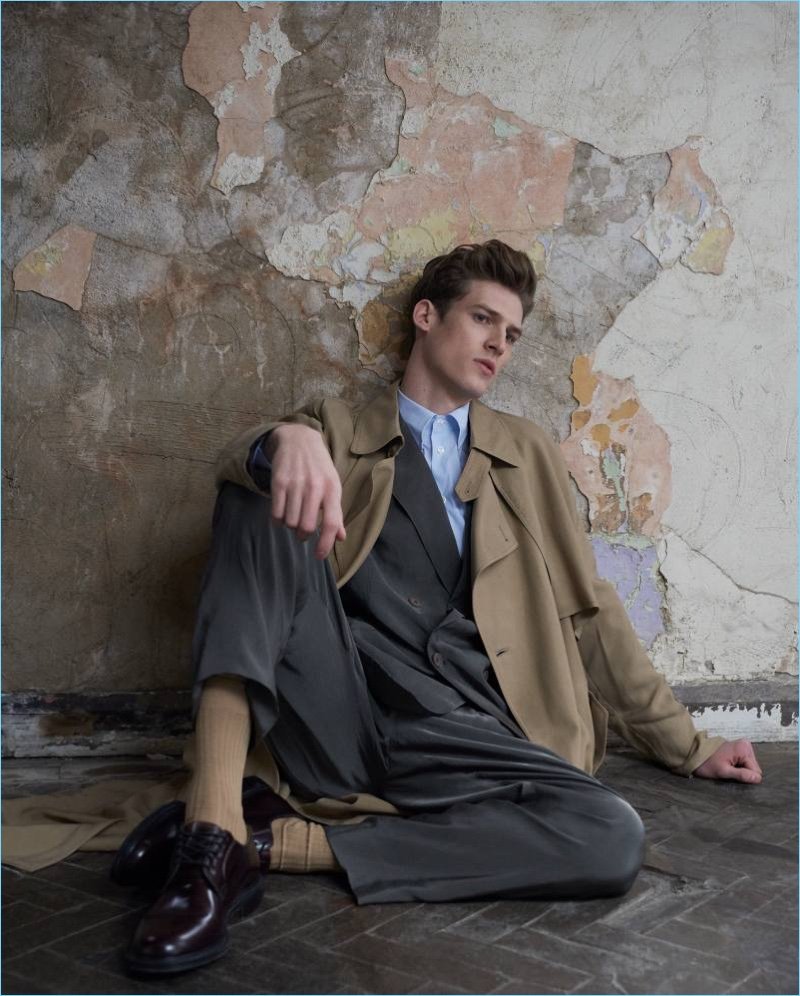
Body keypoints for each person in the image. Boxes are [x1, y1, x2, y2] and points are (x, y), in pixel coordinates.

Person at [120, 240, 763, 976]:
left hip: (470, 732)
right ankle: (207, 839)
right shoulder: (341, 423)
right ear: (427, 317)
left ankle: (261, 844)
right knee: (257, 499)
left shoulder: (525, 454)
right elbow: (240, 461)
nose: (498, 343)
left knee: (610, 836)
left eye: (511, 334)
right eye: (483, 318)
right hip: (347, 716)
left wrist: (689, 743)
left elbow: (592, 612)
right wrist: (283, 440)